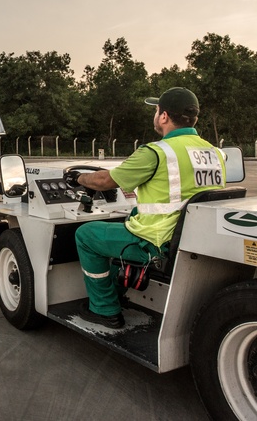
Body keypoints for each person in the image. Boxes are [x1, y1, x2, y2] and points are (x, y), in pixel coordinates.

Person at [66, 87, 226, 329]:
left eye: (156, 110)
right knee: (131, 216)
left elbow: (104, 181)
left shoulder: (156, 152)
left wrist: (77, 178)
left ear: (163, 116)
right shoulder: (215, 154)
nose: (156, 115)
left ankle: (104, 309)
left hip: (156, 241)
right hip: (194, 238)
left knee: (86, 234)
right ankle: (119, 288)